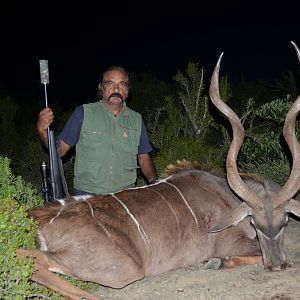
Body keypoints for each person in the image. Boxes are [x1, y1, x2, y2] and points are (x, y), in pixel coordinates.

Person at [37, 66, 158, 196]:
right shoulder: (83, 113)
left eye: (122, 84)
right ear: (101, 88)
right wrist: (42, 131)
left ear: (127, 91)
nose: (116, 89)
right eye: (110, 83)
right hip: (88, 194)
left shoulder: (136, 119)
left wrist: (154, 183)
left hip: (125, 195)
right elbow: (59, 151)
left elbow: (144, 157)